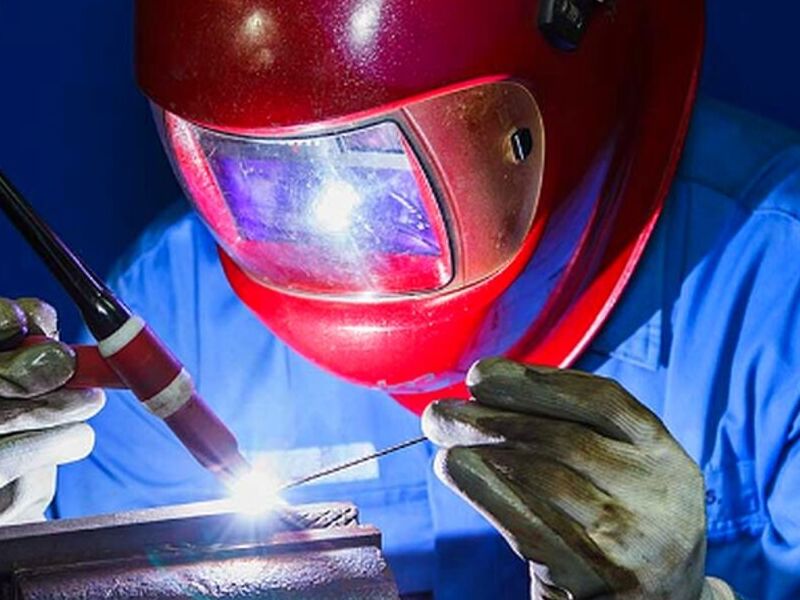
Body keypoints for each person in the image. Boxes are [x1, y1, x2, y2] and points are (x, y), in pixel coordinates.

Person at [1, 0, 798, 598]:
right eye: (267, 170)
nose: (338, 218)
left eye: (376, 159)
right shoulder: (179, 305)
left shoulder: (775, 281)